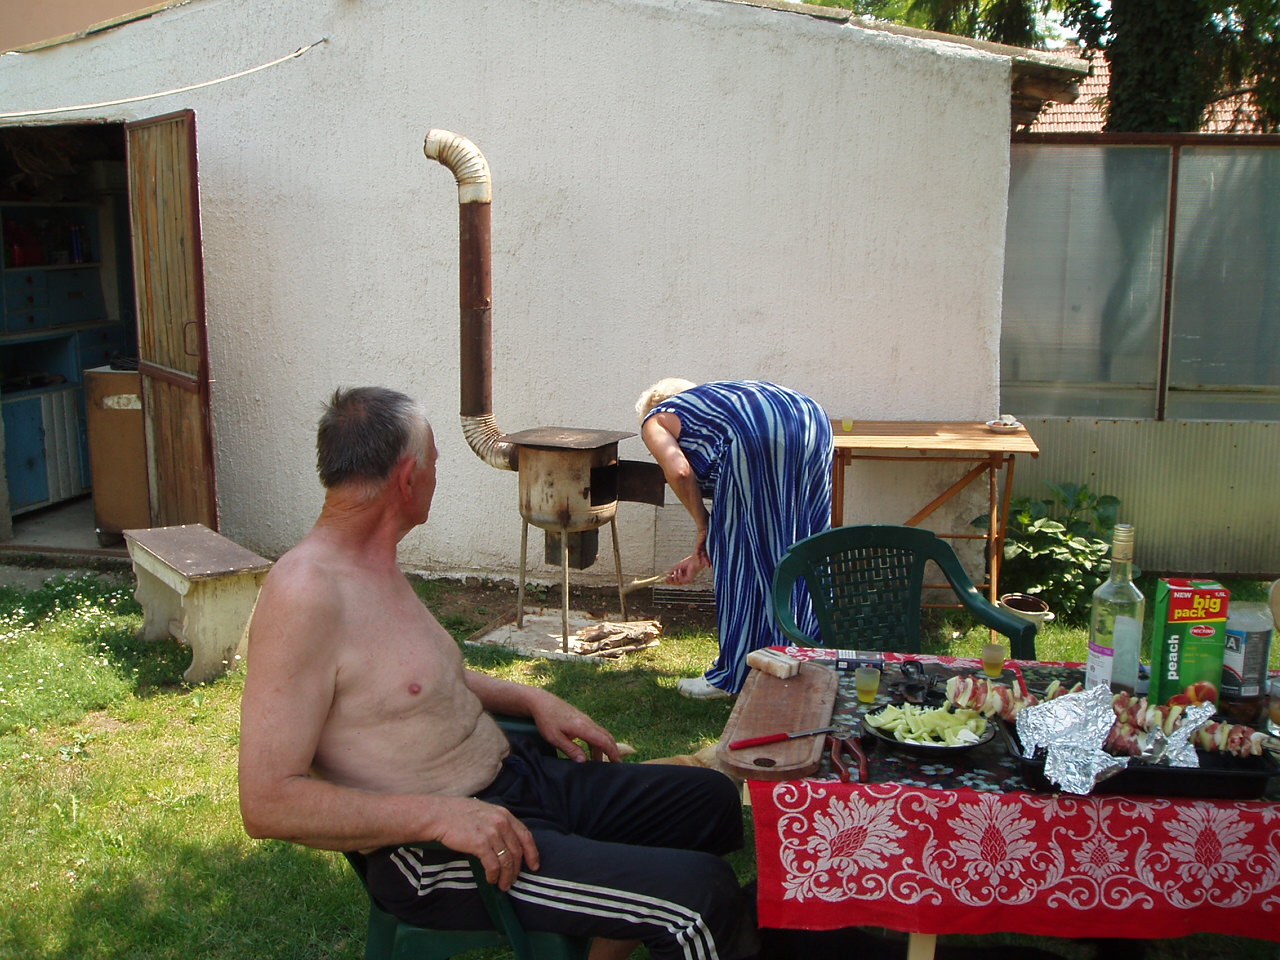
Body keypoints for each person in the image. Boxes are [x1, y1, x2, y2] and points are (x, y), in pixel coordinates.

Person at [238, 386, 756, 960]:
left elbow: (416, 681)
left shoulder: (372, 563)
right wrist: (439, 817)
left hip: (515, 785)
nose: (436, 477)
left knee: (709, 798)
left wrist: (532, 700)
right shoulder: (305, 592)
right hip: (438, 854)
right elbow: (267, 801)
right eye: (435, 464)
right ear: (408, 479)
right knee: (699, 897)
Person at [636, 379, 833, 699]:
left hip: (759, 432)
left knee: (739, 560)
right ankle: (811, 657)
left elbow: (680, 471)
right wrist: (703, 550)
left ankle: (733, 674)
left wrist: (703, 526)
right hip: (812, 418)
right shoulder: (717, 406)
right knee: (803, 540)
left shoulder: (656, 419)